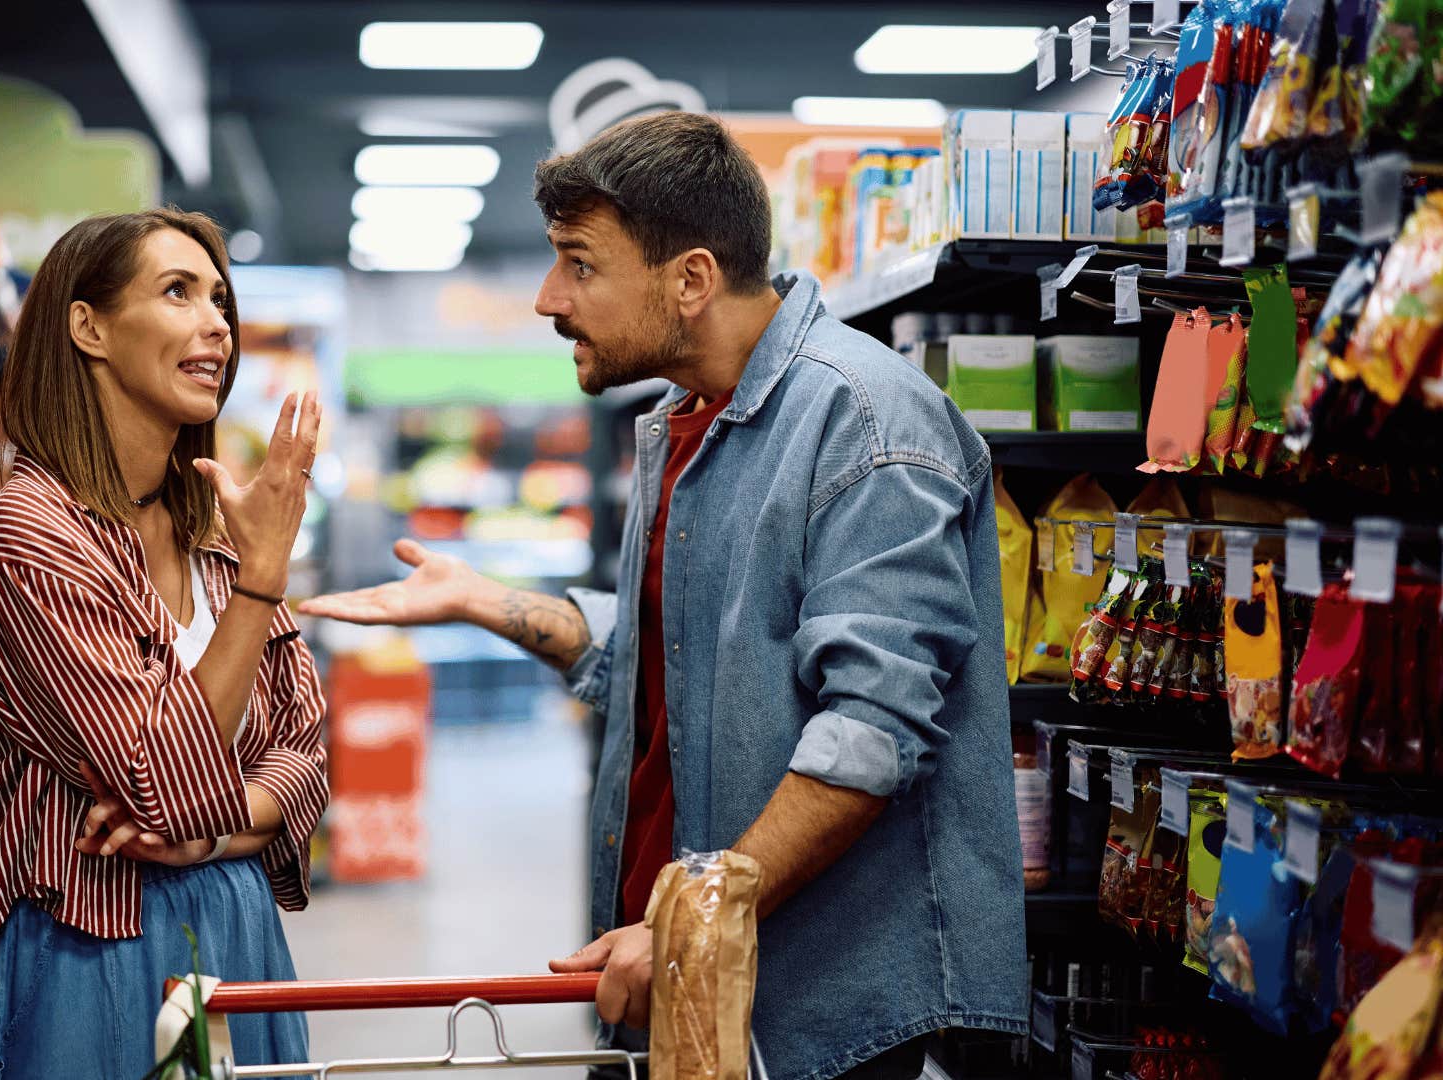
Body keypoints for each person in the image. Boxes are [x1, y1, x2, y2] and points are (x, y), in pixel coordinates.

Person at [300, 112, 1027, 1079]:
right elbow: (667, 656)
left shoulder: (866, 423)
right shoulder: (681, 424)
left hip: (822, 1007)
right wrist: (488, 601)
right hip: (687, 979)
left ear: (690, 279)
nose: (549, 298)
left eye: (580, 264)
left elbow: (874, 729)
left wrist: (702, 910)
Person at [0, 208, 327, 1079]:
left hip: (237, 928)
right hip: (90, 950)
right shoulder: (30, 536)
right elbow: (157, 782)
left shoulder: (216, 534)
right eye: (178, 292)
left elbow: (306, 758)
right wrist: (264, 581)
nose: (216, 324)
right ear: (89, 327)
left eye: (220, 299)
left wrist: (212, 838)